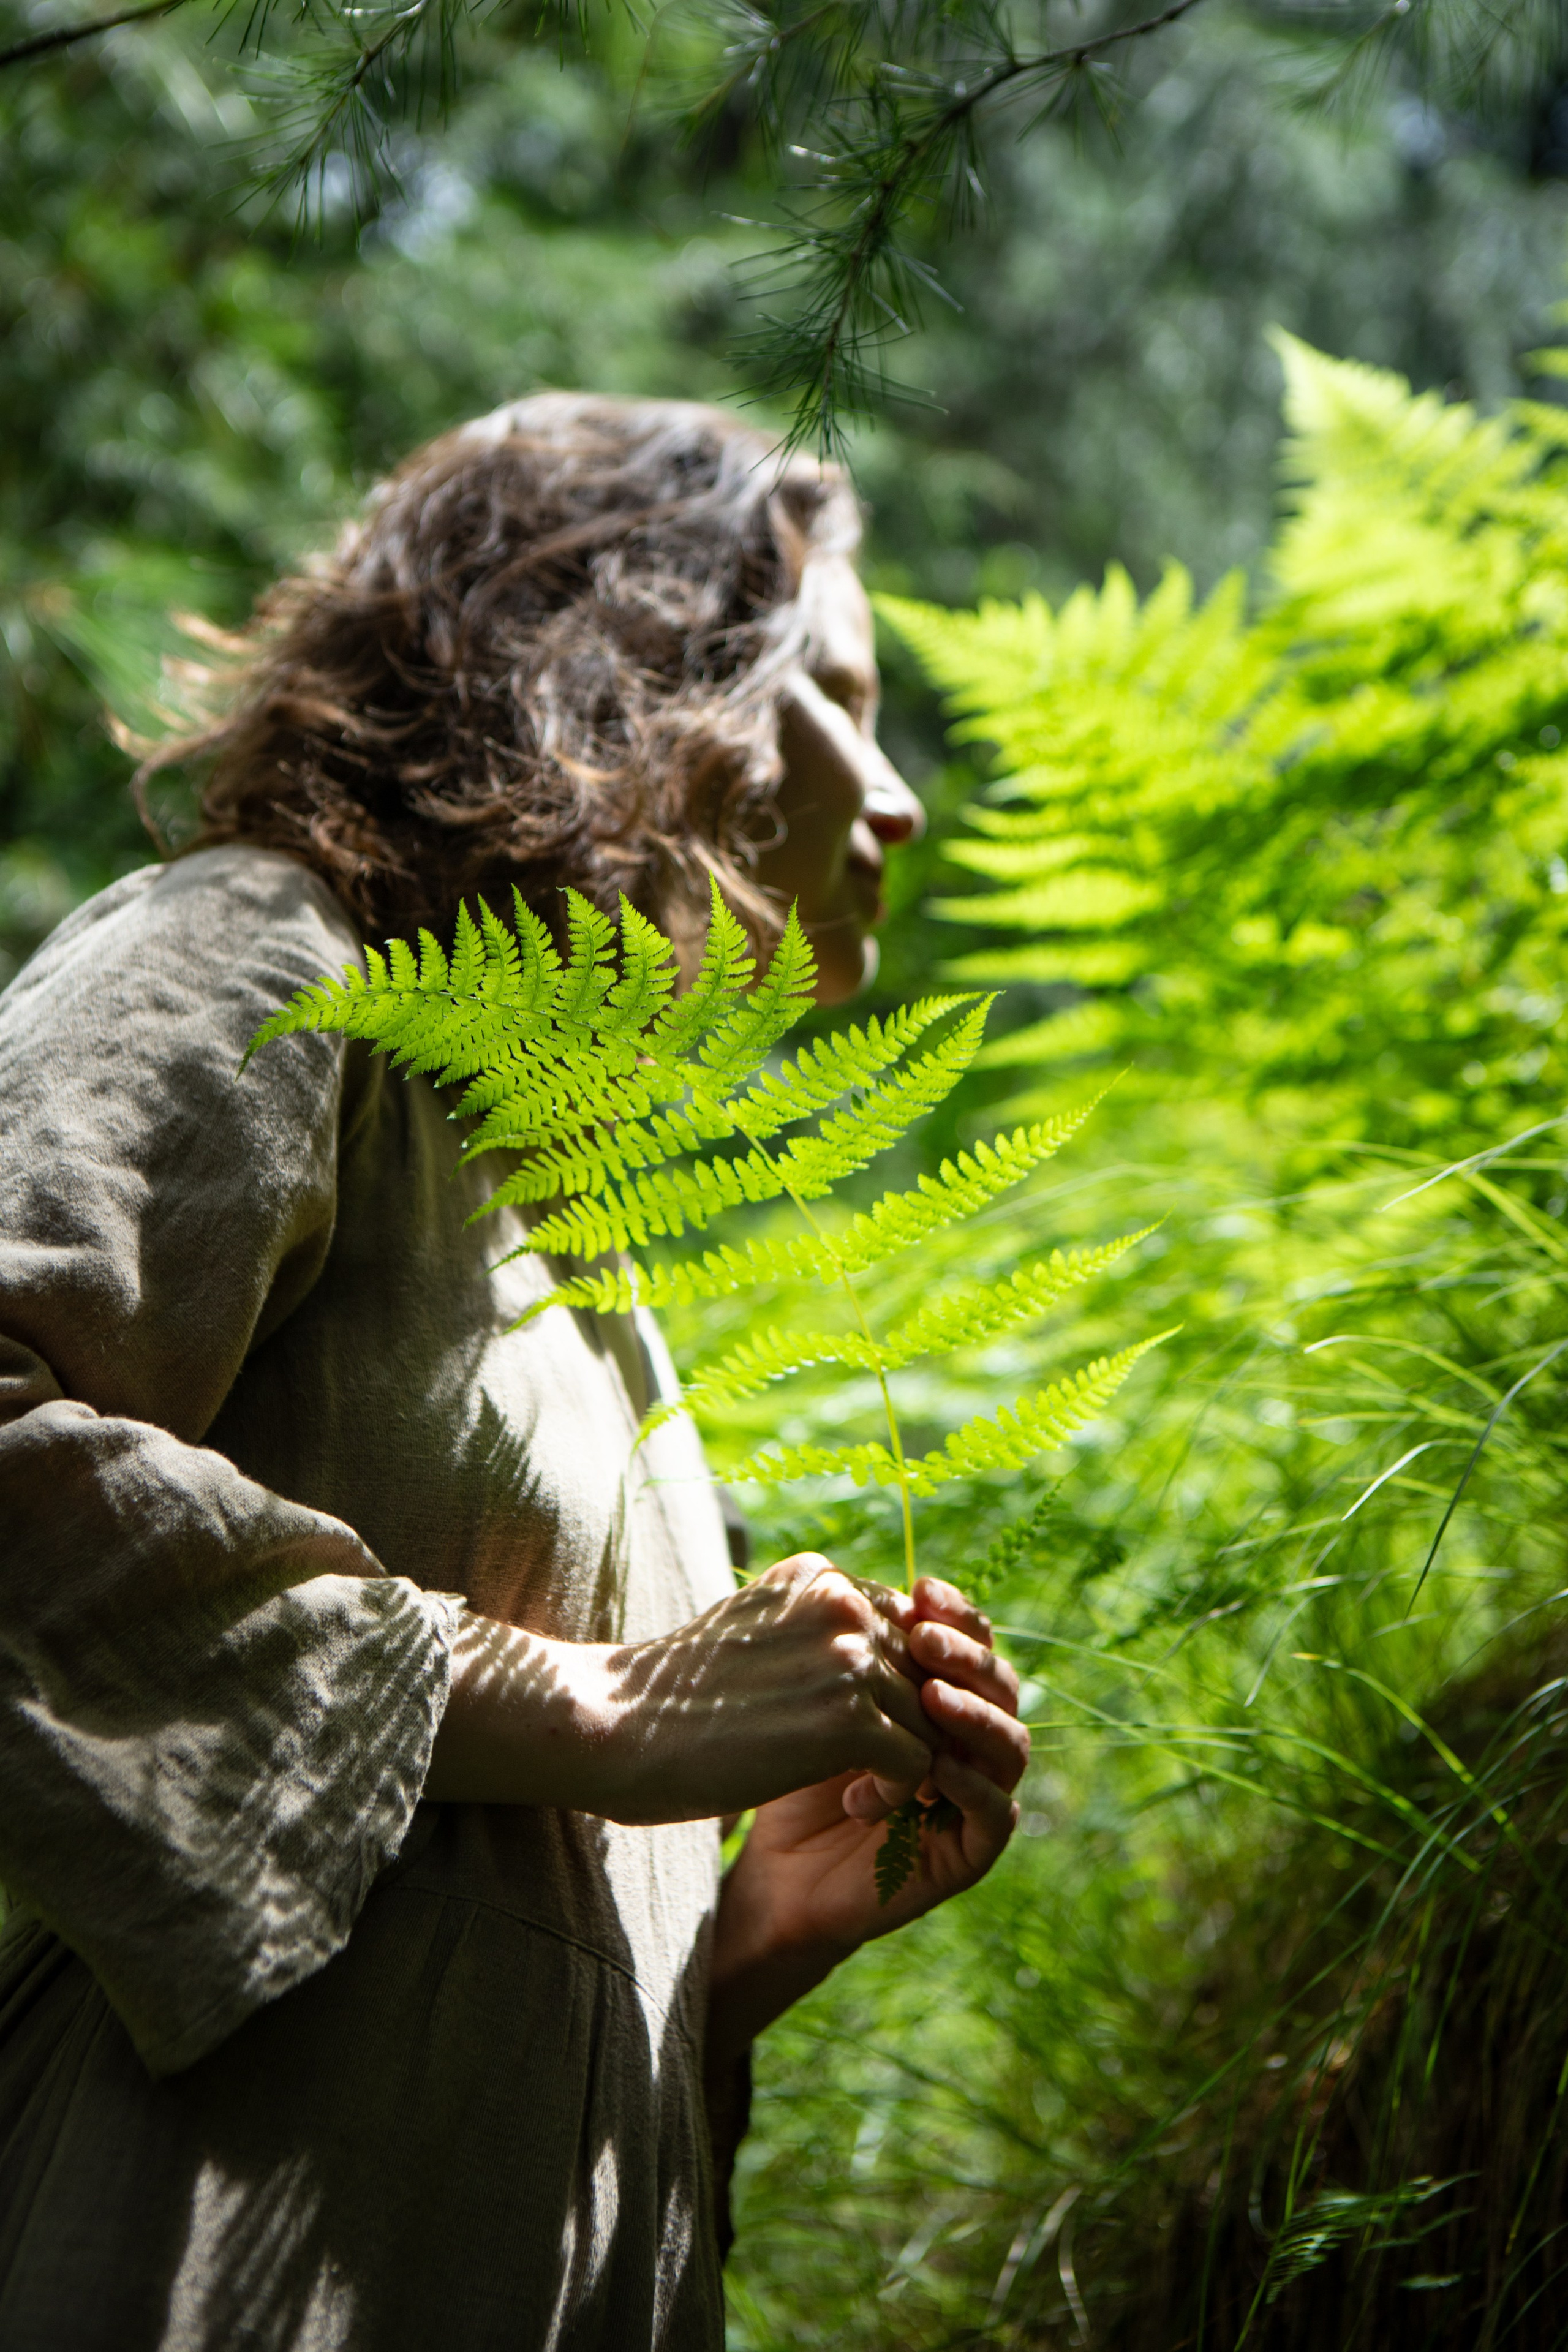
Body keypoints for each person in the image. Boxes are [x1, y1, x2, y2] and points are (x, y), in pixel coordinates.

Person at [0, 393, 1029, 2349]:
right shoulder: (262, 951)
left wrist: (742, 1945)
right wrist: (605, 1704)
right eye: (844, 700)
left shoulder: (580, 1236)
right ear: (641, 676)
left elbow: (470, 1951)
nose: (900, 803)